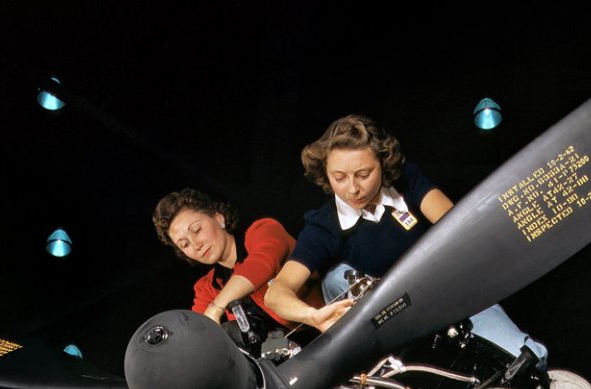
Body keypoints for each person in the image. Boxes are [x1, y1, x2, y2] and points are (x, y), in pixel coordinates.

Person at [265, 115, 551, 365]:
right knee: (335, 278)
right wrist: (313, 316)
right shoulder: (323, 226)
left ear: (383, 163)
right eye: (339, 177)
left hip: (450, 291)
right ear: (325, 174)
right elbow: (276, 294)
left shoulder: (409, 182)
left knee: (529, 358)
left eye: (364, 174)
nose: (353, 188)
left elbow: (460, 229)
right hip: (394, 322)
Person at [152, 188, 321, 333]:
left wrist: (216, 307)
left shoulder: (262, 230)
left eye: (197, 230)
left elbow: (261, 263)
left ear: (219, 218)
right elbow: (198, 333)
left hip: (331, 322)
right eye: (185, 244)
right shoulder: (208, 287)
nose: (196, 245)